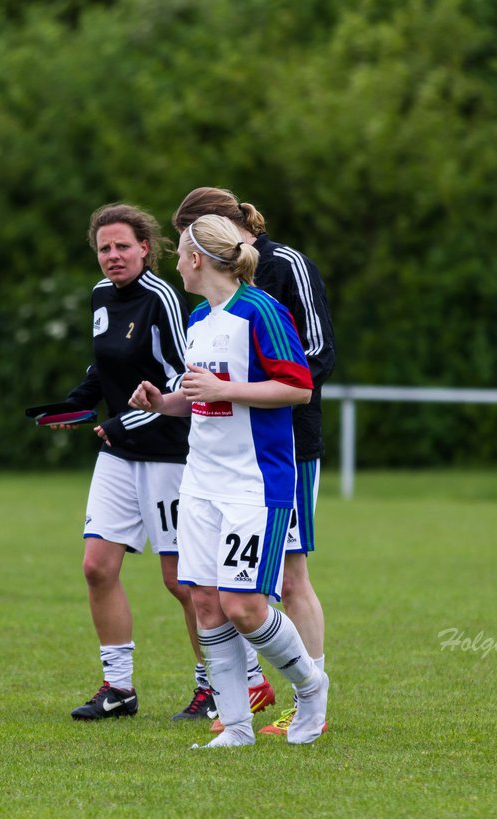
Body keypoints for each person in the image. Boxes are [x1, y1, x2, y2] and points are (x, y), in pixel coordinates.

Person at [129, 214, 329, 747]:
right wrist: (164, 401)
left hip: (253, 484)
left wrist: (224, 386)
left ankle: (311, 688)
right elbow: (202, 399)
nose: (175, 263)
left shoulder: (261, 310)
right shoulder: (199, 318)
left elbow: (297, 388)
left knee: (245, 607)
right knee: (206, 602)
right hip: (200, 483)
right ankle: (236, 726)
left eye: (179, 254)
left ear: (197, 259)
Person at [55, 203, 217, 721]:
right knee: (96, 567)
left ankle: (212, 683)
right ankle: (118, 689)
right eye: (104, 248)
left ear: (145, 247)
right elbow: (103, 367)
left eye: (122, 245)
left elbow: (181, 382)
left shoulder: (162, 298)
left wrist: (123, 421)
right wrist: (76, 404)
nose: (112, 256)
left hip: (168, 453)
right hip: (118, 454)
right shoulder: (102, 296)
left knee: (182, 581)